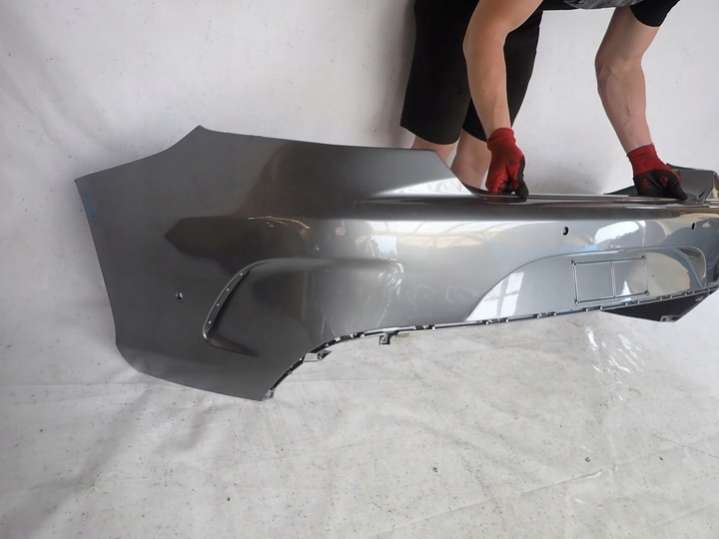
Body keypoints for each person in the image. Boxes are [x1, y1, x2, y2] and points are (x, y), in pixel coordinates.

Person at [401, 0, 686, 200]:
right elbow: (485, 33)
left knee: (480, 157)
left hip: (518, 12)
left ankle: (443, 258)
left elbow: (620, 65)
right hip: (459, 7)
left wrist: (644, 157)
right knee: (433, 155)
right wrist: (501, 138)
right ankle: (399, 251)